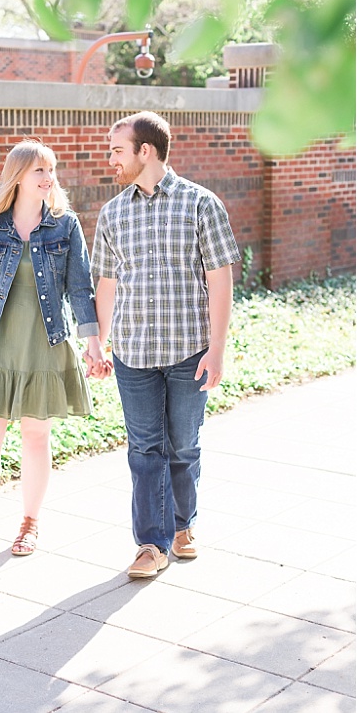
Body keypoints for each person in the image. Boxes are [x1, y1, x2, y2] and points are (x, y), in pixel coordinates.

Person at [90, 111, 240, 579]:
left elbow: (220, 281)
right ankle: (151, 544)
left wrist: (217, 348)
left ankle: (182, 525)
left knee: (184, 447)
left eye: (117, 149)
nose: (110, 158)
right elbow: (107, 283)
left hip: (189, 351)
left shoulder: (201, 204)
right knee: (144, 450)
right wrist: (98, 340)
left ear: (145, 151)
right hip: (133, 353)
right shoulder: (112, 212)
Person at [0, 140, 106, 558]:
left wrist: (94, 343)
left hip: (45, 344)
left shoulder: (65, 225)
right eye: (39, 170)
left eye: (51, 169)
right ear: (18, 175)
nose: (48, 177)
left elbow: (80, 288)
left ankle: (29, 524)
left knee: (36, 437)